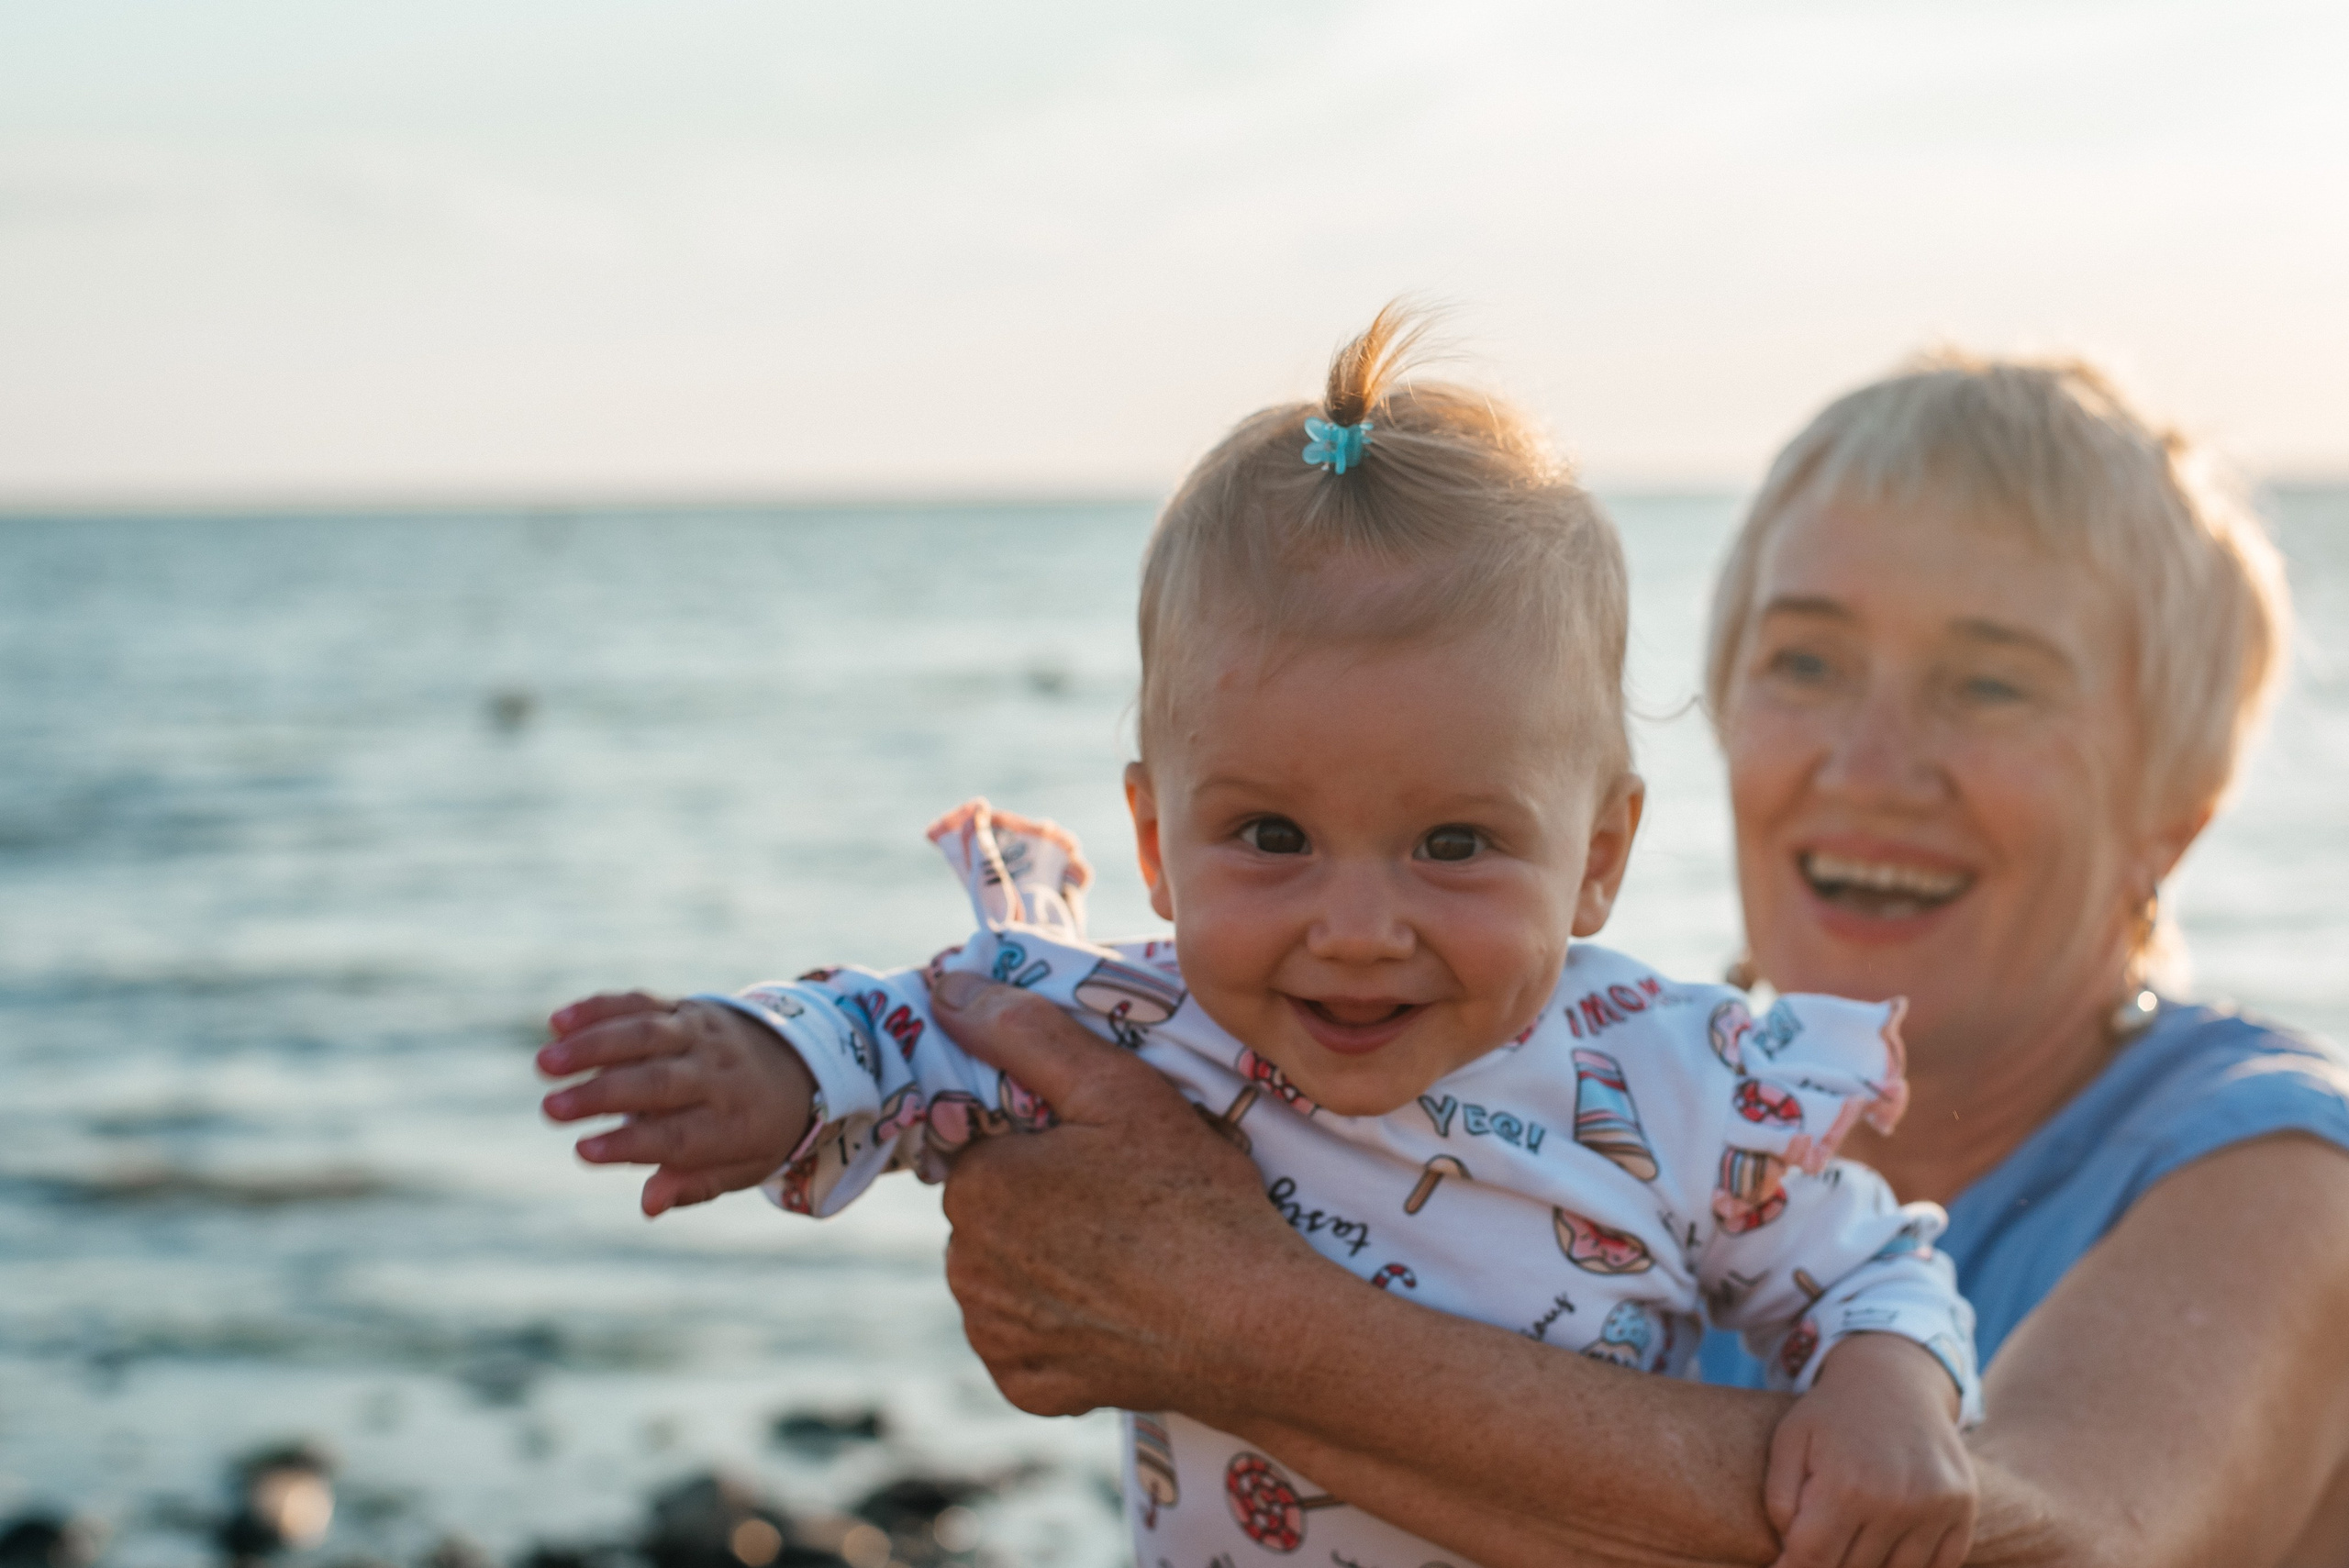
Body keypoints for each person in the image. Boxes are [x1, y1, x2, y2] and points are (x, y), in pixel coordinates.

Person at [537, 309, 1983, 1568]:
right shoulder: (1128, 1029)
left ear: (1597, 857)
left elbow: (1874, 1267)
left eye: (1454, 844)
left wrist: (1887, 1387)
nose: (1355, 931)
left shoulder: (1679, 1080)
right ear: (1155, 842)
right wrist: (769, 1066)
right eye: (1273, 835)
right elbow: (907, 1029)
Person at [913, 351, 2349, 1567]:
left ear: (2178, 803)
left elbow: (2050, 1549)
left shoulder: (2285, 1171)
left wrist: (1229, 1317)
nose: (1866, 761)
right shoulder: (1604, 1092)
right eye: (1805, 661)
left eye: (1991, 683)